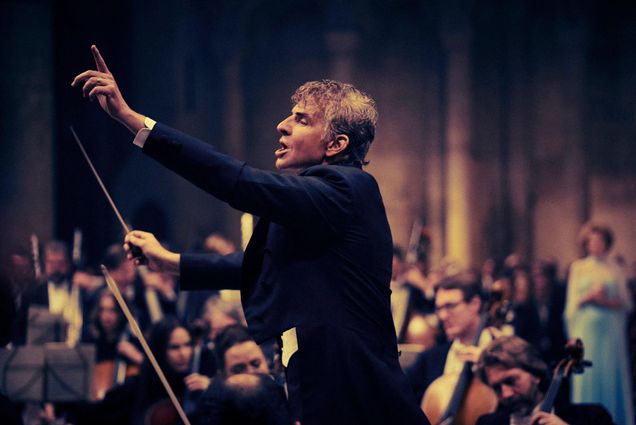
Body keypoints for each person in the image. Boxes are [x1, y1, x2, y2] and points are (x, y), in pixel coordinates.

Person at [72, 44, 429, 425]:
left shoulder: (345, 188)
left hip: (351, 387)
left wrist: (133, 121)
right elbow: (264, 263)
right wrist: (172, 262)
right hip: (323, 374)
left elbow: (237, 181)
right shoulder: (321, 201)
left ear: (336, 144)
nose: (282, 125)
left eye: (302, 119)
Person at [71, 317, 213, 425]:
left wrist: (214, 388)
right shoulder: (137, 386)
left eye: (188, 345)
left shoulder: (198, 384)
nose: (184, 353)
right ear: (160, 350)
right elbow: (95, 412)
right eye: (174, 347)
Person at [564, 223, 634, 425]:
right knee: (588, 373)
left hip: (610, 330)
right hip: (587, 329)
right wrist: (590, 297)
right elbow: (572, 304)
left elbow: (626, 304)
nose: (596, 244)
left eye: (601, 240)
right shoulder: (579, 267)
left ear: (607, 243)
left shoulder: (614, 268)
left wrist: (604, 301)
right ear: (586, 243)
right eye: (592, 240)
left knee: (610, 373)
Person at [475, 335, 614, 425]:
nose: (506, 394)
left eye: (511, 381)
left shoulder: (593, 418)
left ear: (535, 375)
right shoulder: (486, 423)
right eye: (497, 387)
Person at [405, 272, 497, 403]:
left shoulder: (501, 356)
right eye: (439, 308)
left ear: (474, 304)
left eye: (450, 306)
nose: (442, 316)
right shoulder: (429, 359)